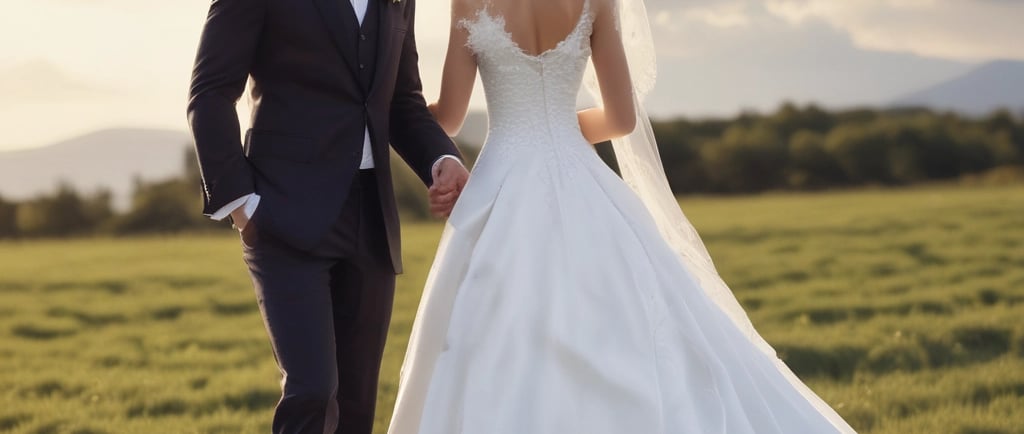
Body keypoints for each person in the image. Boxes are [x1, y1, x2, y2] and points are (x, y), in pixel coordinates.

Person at [387, 0, 858, 432]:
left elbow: (447, 118)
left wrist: (394, 115)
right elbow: (621, 119)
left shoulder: (470, 1)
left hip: (501, 180)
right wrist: (550, 127)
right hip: (581, 177)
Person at [186, 0, 470, 432]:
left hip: (372, 219)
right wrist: (243, 205)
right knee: (313, 391)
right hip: (281, 214)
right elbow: (209, 92)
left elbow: (402, 102)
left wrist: (441, 159)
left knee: (356, 406)